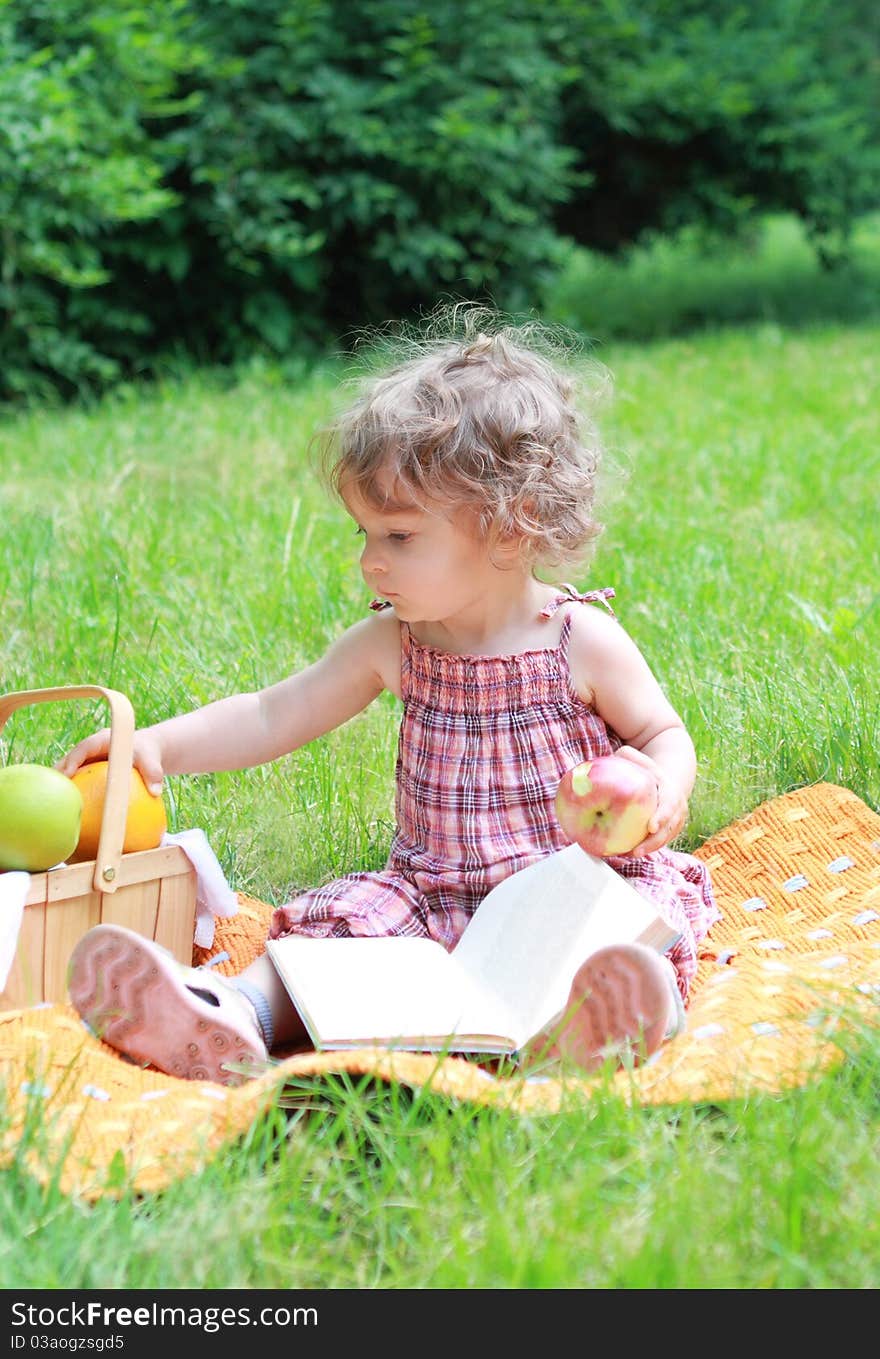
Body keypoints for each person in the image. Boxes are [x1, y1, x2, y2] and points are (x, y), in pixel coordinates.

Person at [60, 312, 719, 1086]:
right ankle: (233, 1012)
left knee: (611, 941)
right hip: (429, 894)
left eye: (399, 537)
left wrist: (664, 790)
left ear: (512, 528)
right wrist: (159, 745)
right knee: (328, 946)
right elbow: (274, 712)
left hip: (566, 883)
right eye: (366, 533)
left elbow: (662, 733)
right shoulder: (395, 644)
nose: (372, 562)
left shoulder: (579, 640)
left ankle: (583, 1028)